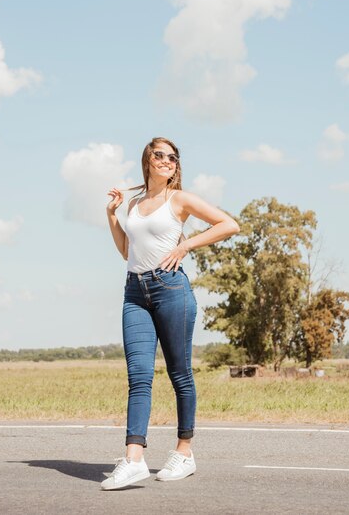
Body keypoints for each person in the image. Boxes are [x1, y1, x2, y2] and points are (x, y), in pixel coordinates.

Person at [102, 137, 239, 490]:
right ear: (147, 160)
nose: (167, 161)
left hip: (171, 290)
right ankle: (133, 458)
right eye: (160, 155)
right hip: (134, 292)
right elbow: (125, 252)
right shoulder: (134, 203)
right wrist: (112, 216)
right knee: (139, 375)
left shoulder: (179, 199)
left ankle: (184, 452)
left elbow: (228, 224)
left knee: (180, 374)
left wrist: (186, 245)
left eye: (173, 158)